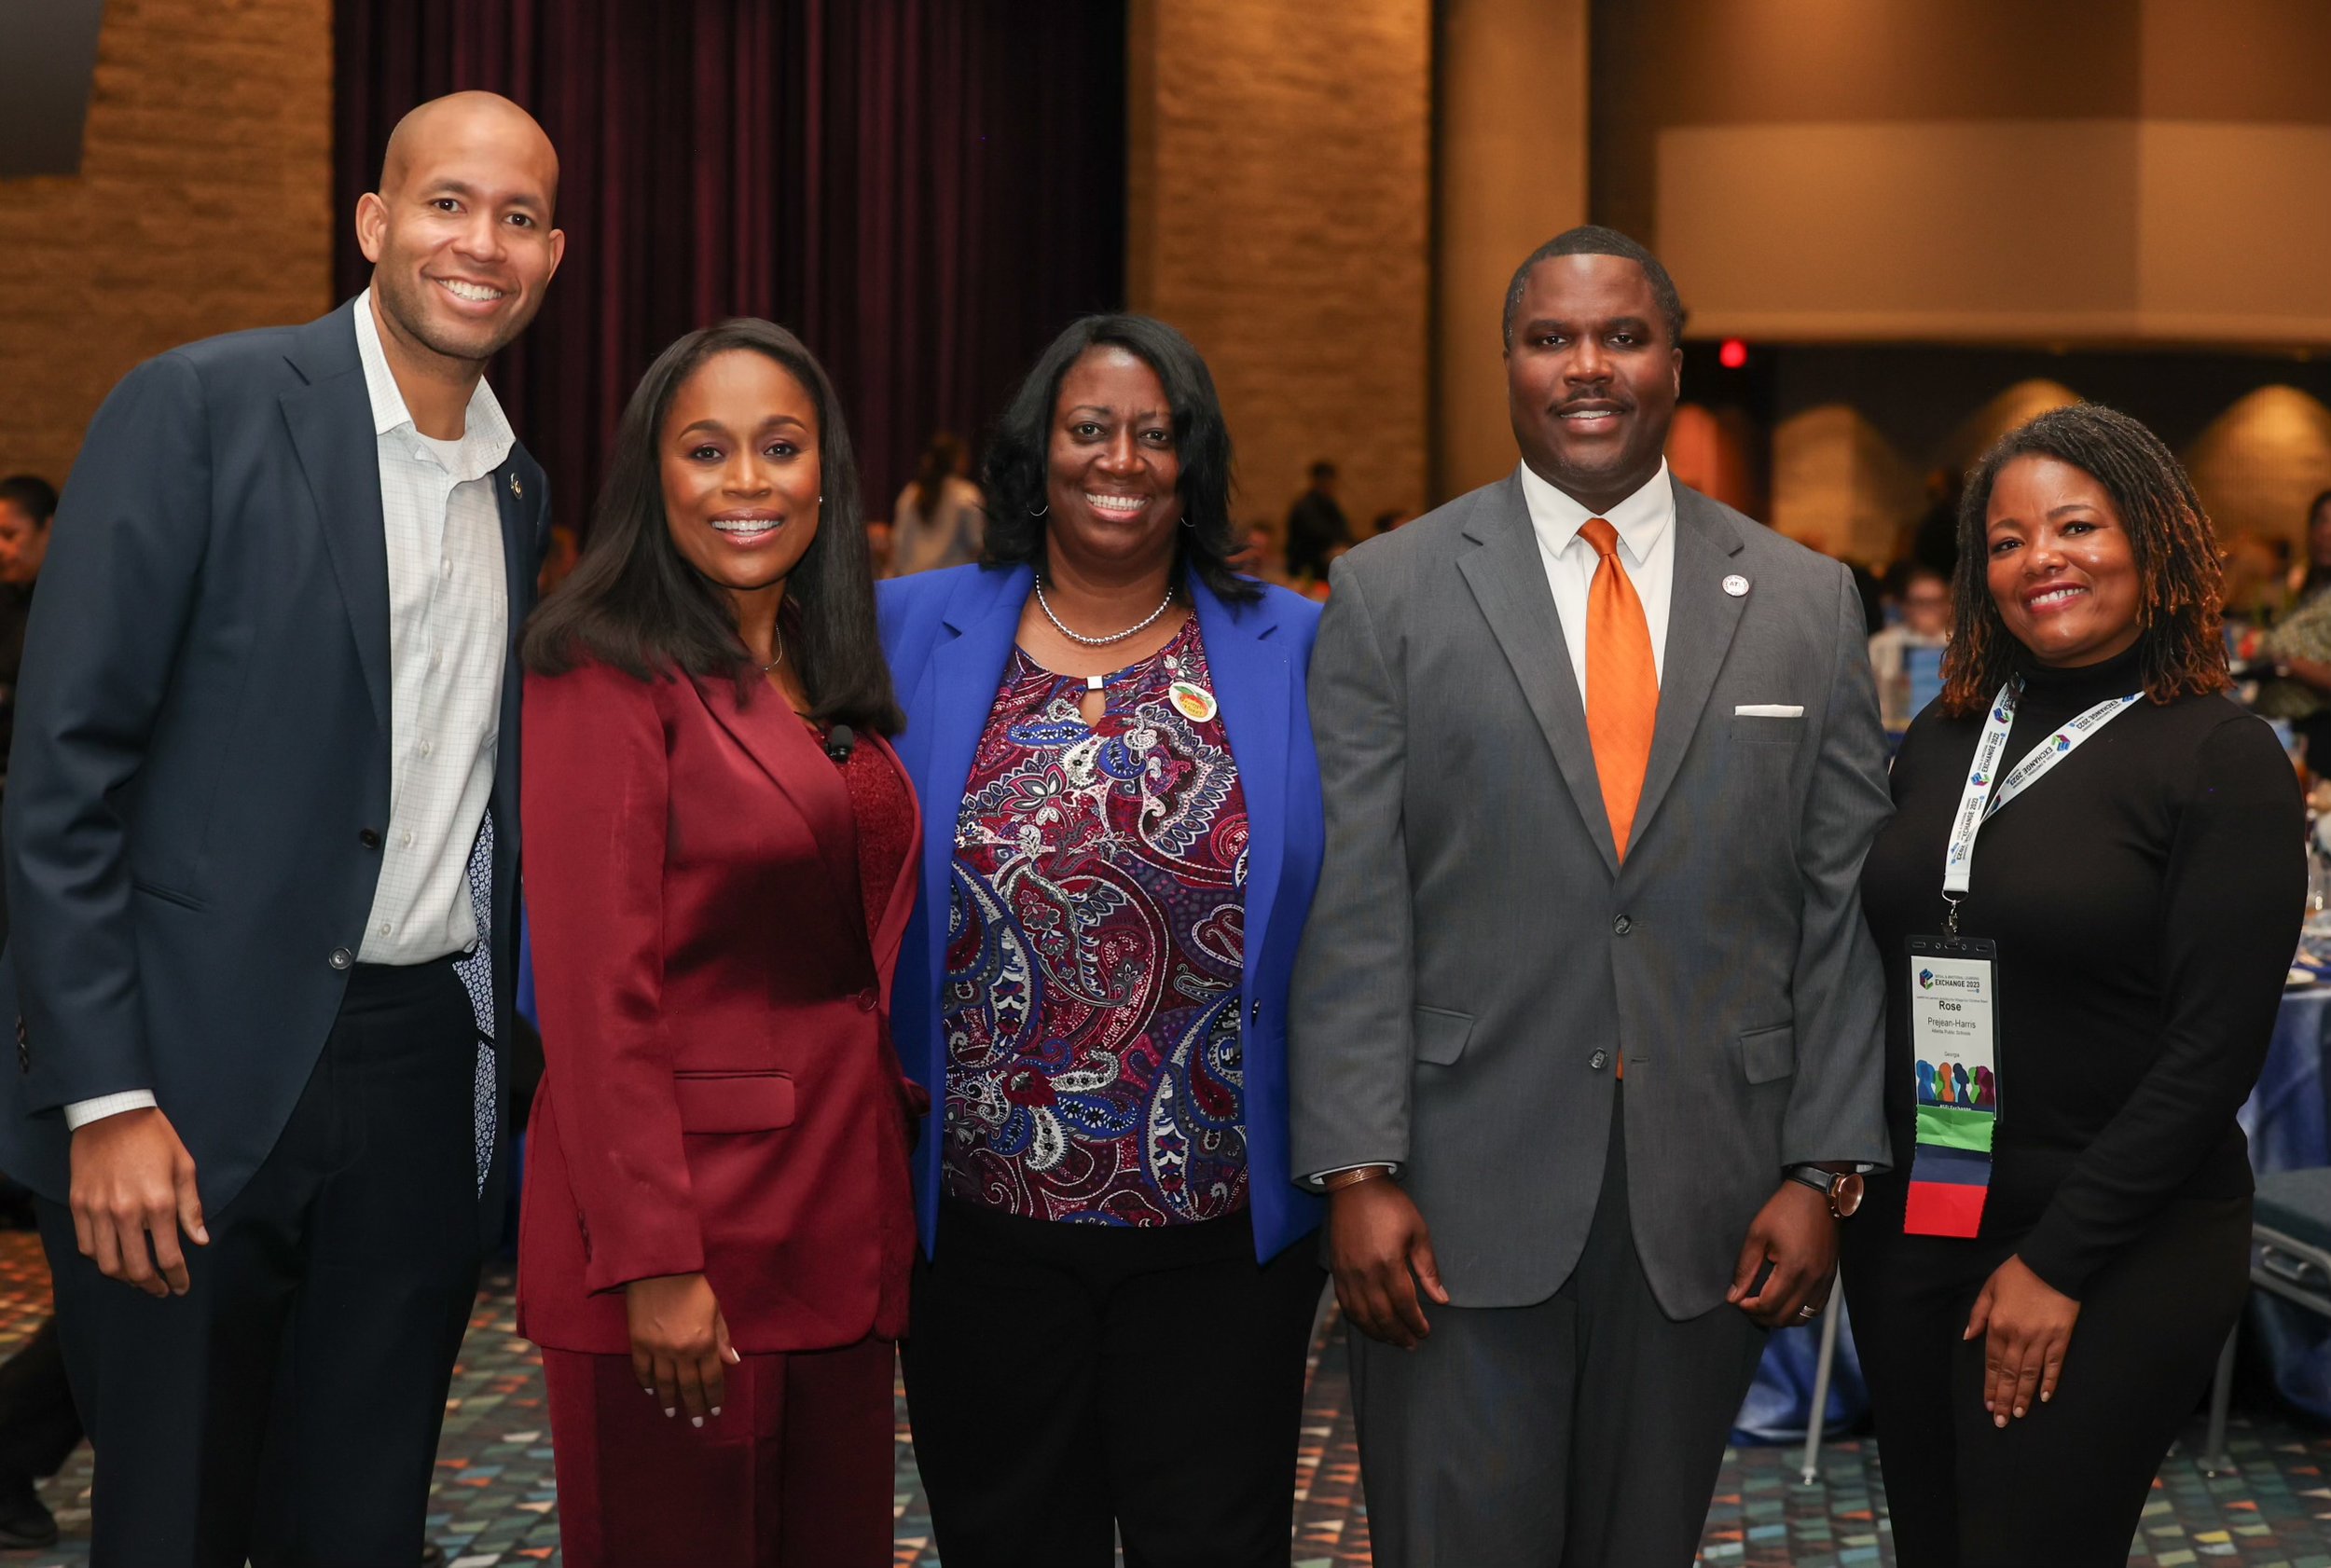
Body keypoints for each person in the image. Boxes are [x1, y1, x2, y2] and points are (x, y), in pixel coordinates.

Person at [0, 91, 561, 1565]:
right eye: (447, 203)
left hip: (420, 1078)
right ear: (374, 224)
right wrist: (102, 1094)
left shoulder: (518, 485)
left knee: (363, 1523)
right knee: (175, 1518)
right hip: (183, 1082)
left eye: (516, 217)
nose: (479, 242)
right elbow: (62, 778)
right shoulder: (200, 408)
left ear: (552, 256)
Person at [1290, 224, 1892, 1568]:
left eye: (1621, 335)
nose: (1587, 366)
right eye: (1551, 337)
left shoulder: (1804, 599)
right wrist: (1355, 1164)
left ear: (1674, 362)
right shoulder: (1390, 591)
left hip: (1712, 1198)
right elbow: (1356, 898)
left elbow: (1837, 902)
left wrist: (1824, 1166)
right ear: (1507, 362)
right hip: (1451, 1191)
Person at [880, 313, 1329, 1566]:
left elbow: (1358, 908)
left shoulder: (1295, 644)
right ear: (1039, 449)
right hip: (977, 1232)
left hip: (1221, 1239)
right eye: (1090, 429)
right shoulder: (908, 626)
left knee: (1216, 1546)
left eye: (1154, 432)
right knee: (1009, 1542)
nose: (1120, 458)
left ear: (1193, 459)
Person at [1845, 404, 2303, 1567]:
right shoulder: (1943, 736)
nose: (2039, 558)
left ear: (2153, 540)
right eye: (2004, 541)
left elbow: (2210, 1057)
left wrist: (2056, 1262)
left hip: (2118, 1238)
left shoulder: (2218, 756)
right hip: (1928, 1206)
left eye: (2075, 525)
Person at [519, 319, 916, 1567]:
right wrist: (653, 1260)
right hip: (683, 1239)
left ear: (826, 473)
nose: (748, 482)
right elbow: (595, 996)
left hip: (835, 1222)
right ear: (655, 474)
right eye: (707, 449)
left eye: (781, 447)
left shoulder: (812, 656)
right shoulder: (600, 665)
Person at [0, 475, 56, 779]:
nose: (1, 549)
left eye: (10, 535)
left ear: (48, 529)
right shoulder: (6, 593)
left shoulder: (66, 603)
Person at [1869, 560, 1952, 727]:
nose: (1928, 610)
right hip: (1892, 731)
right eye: (1920, 602)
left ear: (1947, 605)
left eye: (1935, 602)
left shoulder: (1964, 645)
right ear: (1905, 606)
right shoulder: (1881, 644)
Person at [888, 431, 984, 576]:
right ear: (957, 461)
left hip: (912, 585)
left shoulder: (909, 495)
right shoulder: (967, 496)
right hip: (950, 588)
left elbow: (898, 548)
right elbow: (977, 547)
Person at [1285, 458, 1351, 582]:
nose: (1330, 485)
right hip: (1308, 563)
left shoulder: (1330, 504)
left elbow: (1343, 530)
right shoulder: (1305, 506)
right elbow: (1316, 535)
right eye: (1326, 480)